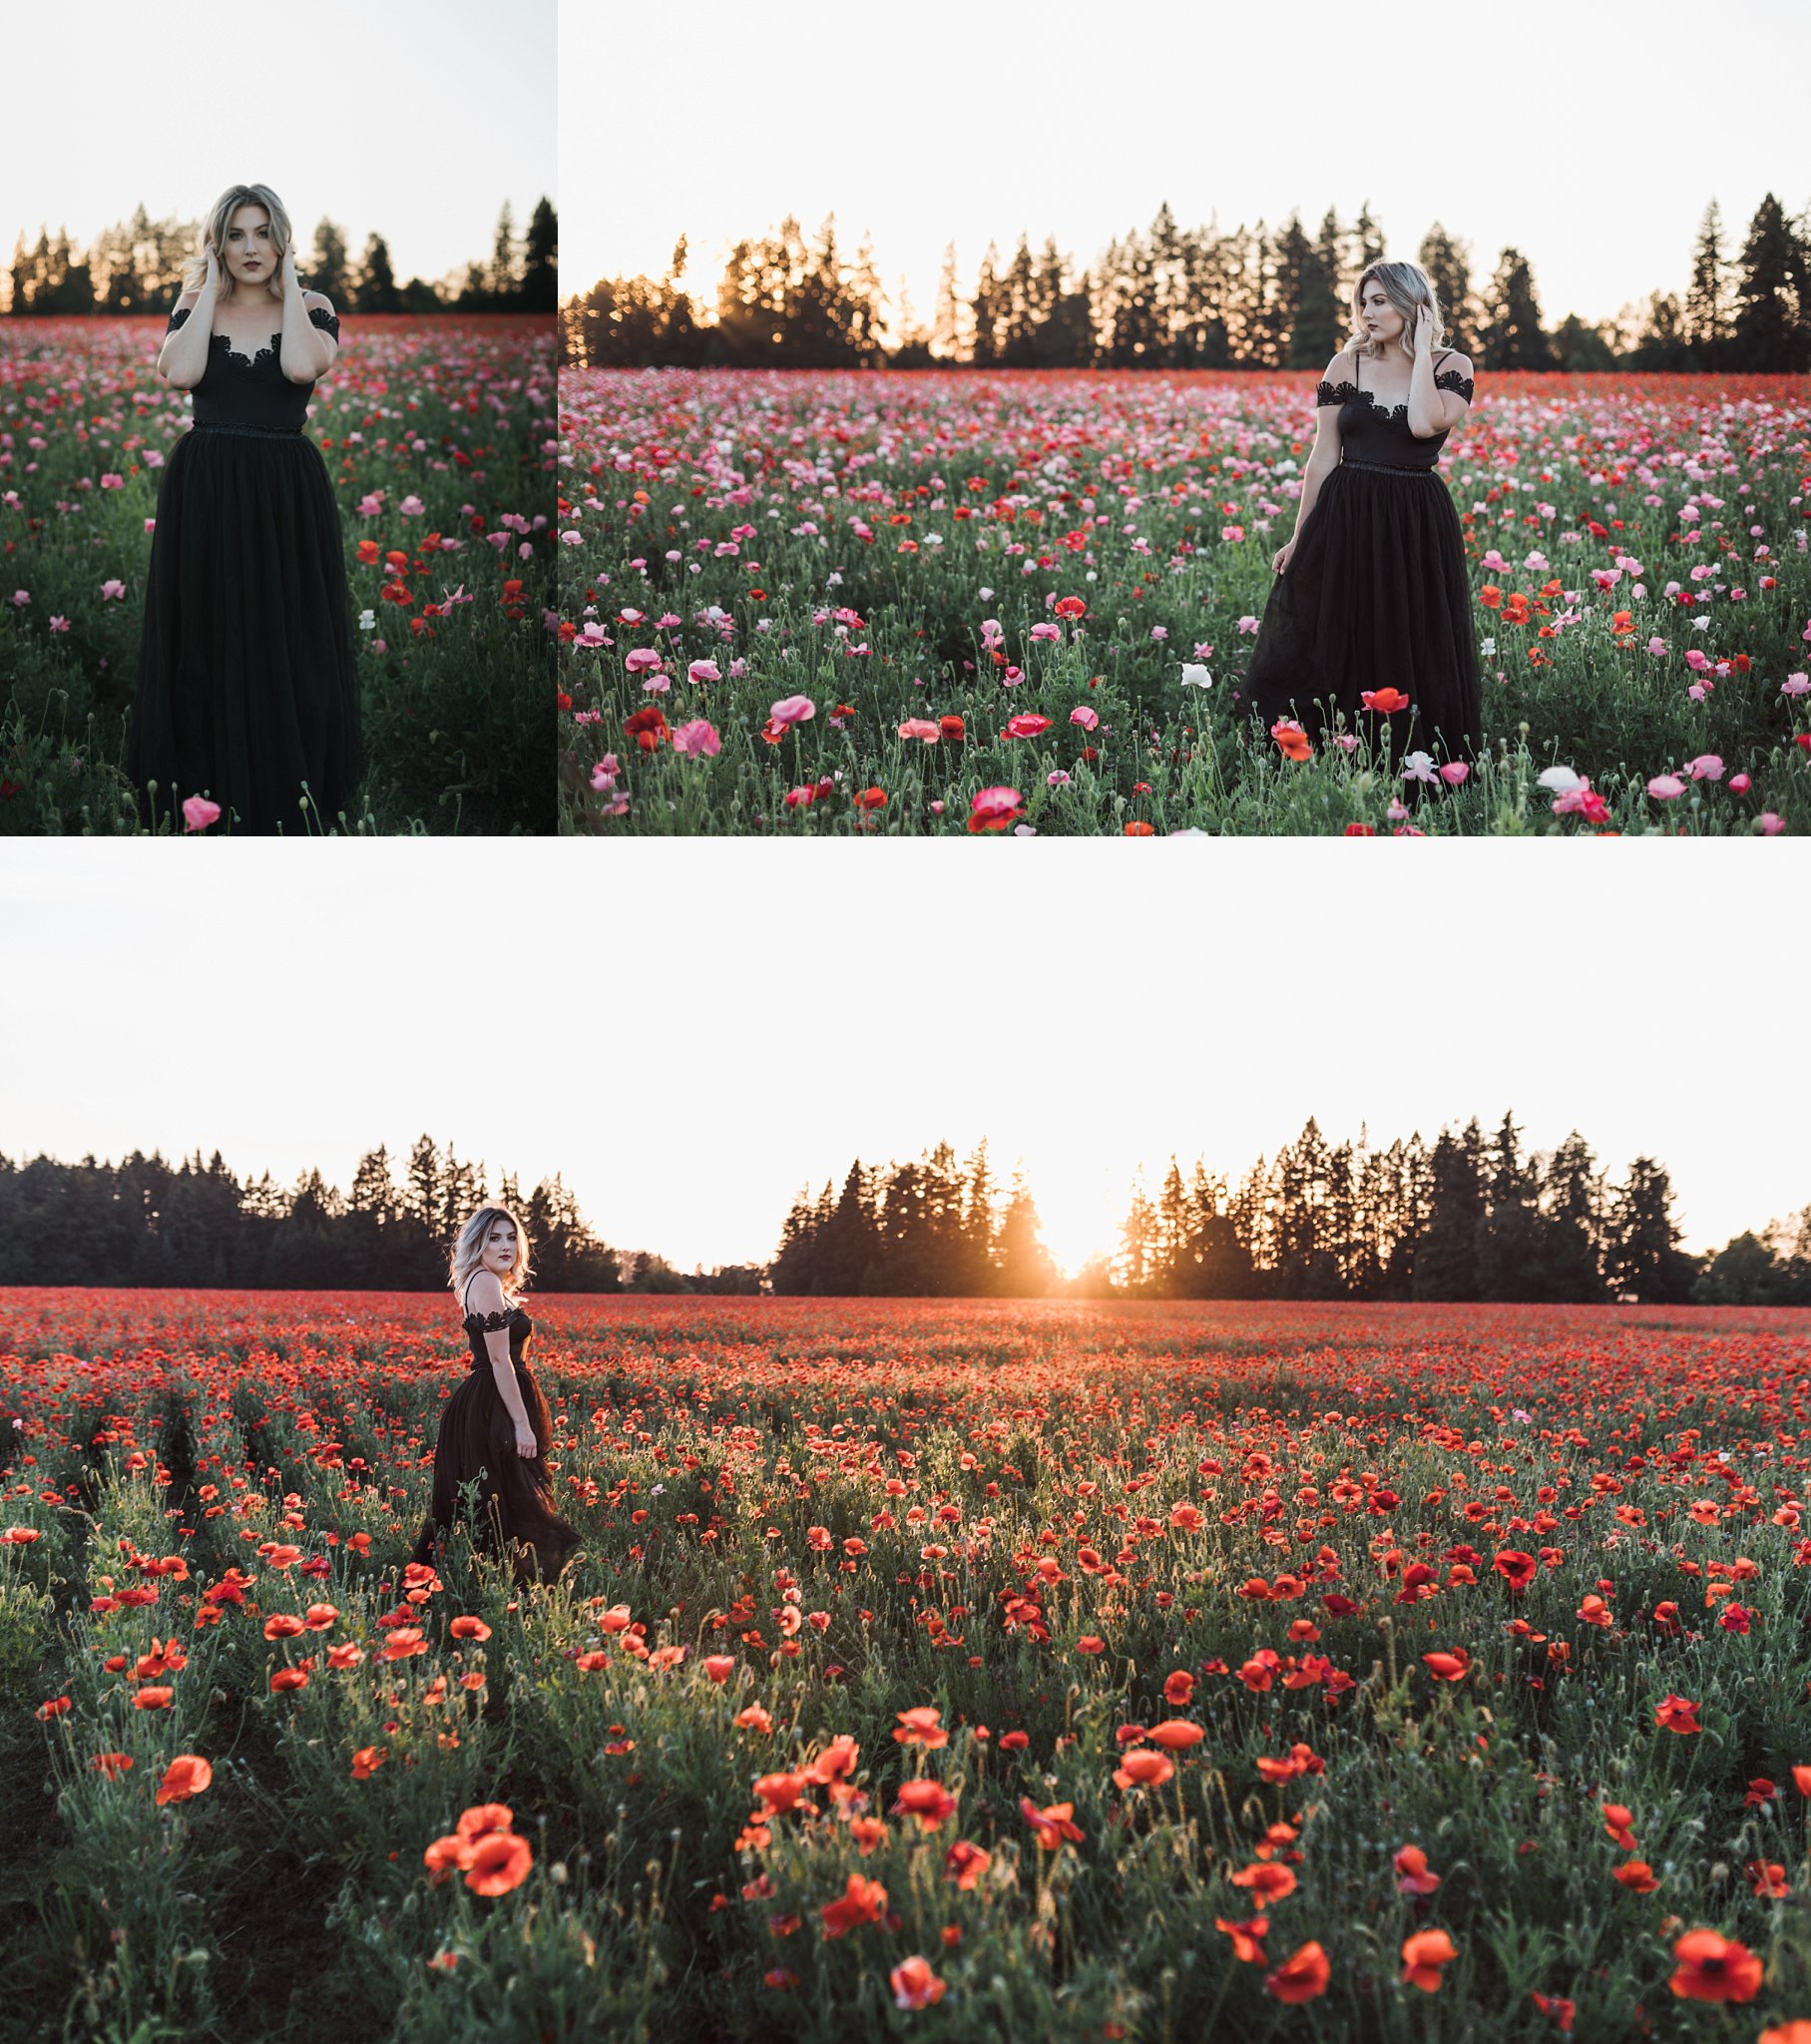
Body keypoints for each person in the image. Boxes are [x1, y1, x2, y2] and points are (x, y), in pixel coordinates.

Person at [131, 183, 361, 833]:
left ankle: (284, 780)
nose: (250, 247)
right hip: (206, 483)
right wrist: (206, 288)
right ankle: (206, 781)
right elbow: (176, 374)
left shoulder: (312, 306)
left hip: (284, 489)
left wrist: (288, 283)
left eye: (264, 233)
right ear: (217, 243)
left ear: (283, 240)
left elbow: (298, 368)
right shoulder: (195, 303)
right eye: (235, 235)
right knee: (205, 628)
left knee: (283, 629)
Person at [1243, 260, 1481, 769]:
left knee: (1408, 633)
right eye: (1363, 301)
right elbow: (1323, 455)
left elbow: (1422, 424)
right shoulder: (1344, 366)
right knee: (1340, 632)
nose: (1366, 312)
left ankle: (1407, 759)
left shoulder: (1453, 366)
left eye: (1380, 301)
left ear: (1413, 305)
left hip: (1415, 520)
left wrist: (1419, 355)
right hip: (1346, 514)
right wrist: (1300, 535)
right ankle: (1338, 755)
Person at [412, 1206, 582, 1585]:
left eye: (510, 1237)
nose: (505, 1245)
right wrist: (522, 1424)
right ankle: (513, 1591)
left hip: (493, 1398)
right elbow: (500, 1359)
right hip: (493, 1404)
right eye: (494, 1237)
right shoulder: (485, 1282)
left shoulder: (486, 1282)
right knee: (506, 1501)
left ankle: (489, 1587)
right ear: (477, 1242)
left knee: (499, 1501)